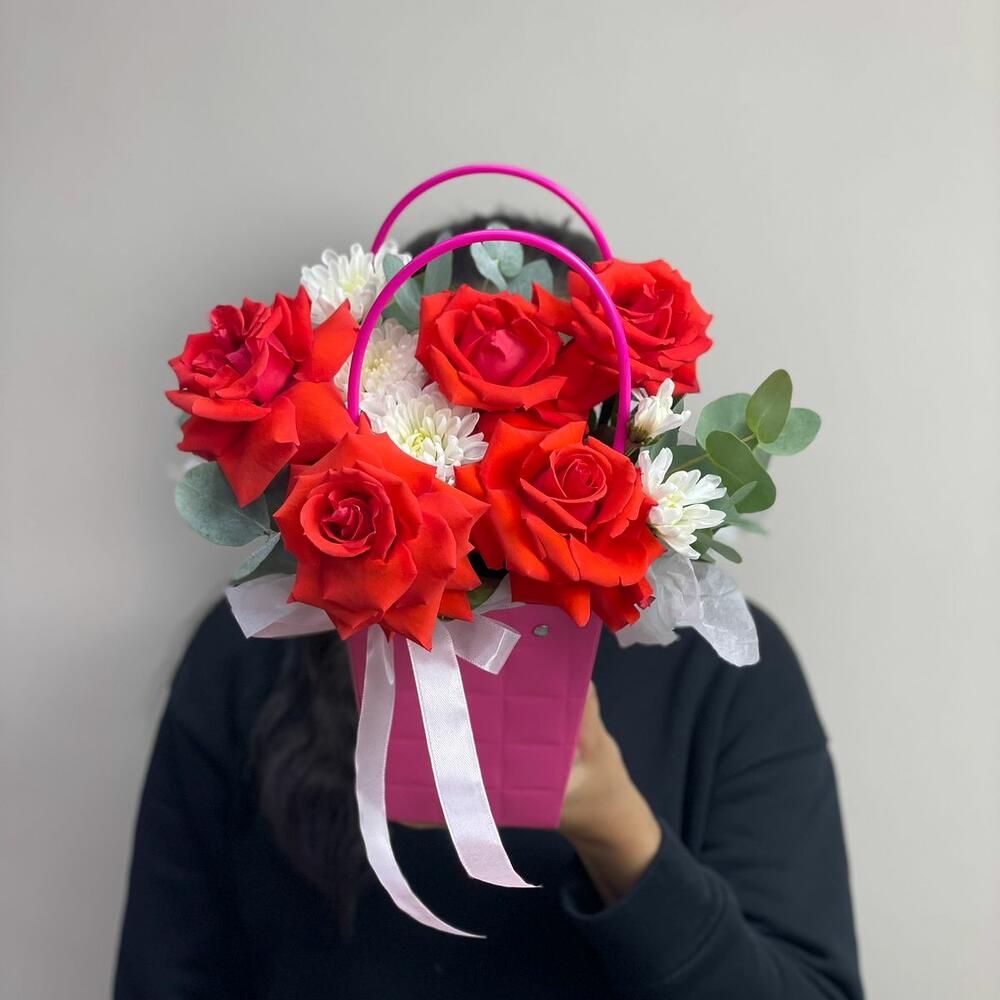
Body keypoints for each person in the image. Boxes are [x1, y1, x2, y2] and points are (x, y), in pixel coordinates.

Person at [114, 217, 864, 999]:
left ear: (621, 440)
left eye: (546, 425)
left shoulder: (720, 667)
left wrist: (617, 828)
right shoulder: (255, 646)